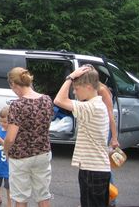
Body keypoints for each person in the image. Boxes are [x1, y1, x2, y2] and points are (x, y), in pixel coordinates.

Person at [54, 65, 111, 207]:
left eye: (77, 88)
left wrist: (70, 77)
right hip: (96, 169)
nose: (74, 91)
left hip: (93, 172)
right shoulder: (95, 105)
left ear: (89, 87)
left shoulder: (91, 107)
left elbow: (59, 100)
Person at [4, 67, 53, 207]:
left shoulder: (17, 105)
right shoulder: (47, 100)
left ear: (13, 84)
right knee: (43, 196)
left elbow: (11, 138)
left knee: (21, 198)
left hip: (21, 156)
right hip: (43, 152)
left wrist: (5, 150)